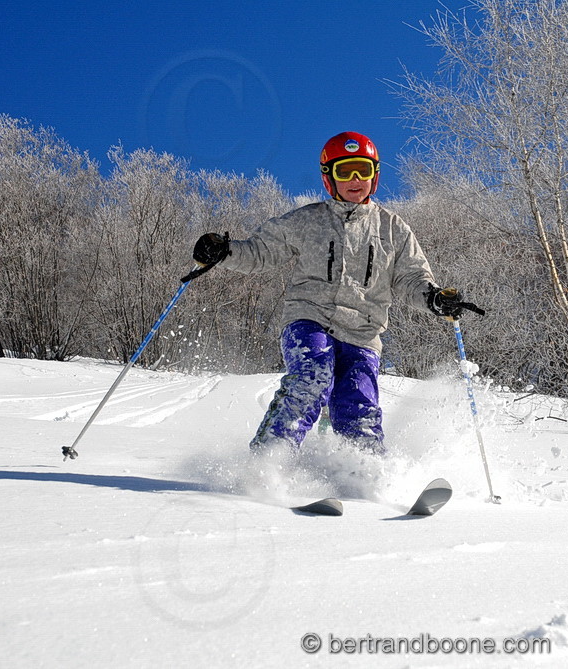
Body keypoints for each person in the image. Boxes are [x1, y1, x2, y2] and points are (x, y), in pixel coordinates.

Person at [191, 131, 477, 457]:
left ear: (375, 176)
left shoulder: (392, 229)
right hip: (310, 318)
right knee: (312, 378)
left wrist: (434, 297)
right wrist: (225, 251)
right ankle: (270, 460)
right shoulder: (308, 221)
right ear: (329, 179)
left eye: (363, 171)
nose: (355, 179)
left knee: (358, 401)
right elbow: (260, 251)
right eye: (345, 172)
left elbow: (411, 277)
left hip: (363, 332)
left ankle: (364, 473)